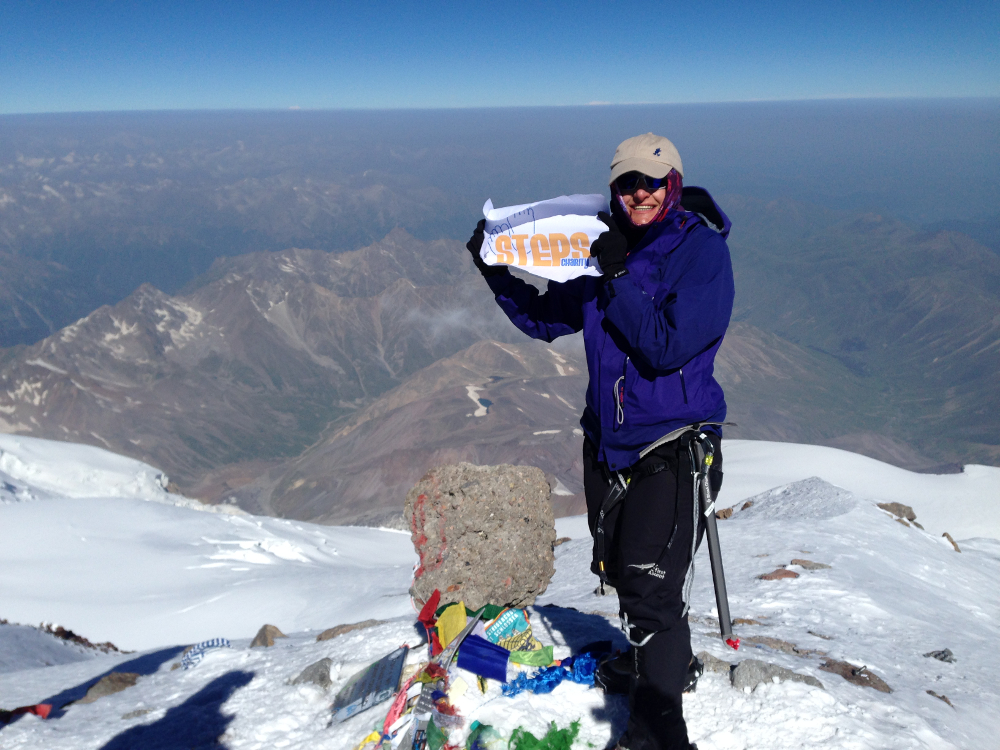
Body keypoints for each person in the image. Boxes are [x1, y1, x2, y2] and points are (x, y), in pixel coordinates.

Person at [466, 133, 734, 750]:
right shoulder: (602, 243)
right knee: (625, 572)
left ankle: (657, 733)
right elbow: (543, 318)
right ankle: (666, 666)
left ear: (673, 185)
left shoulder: (700, 254)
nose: (638, 193)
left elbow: (665, 345)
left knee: (647, 584)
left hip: (672, 442)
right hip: (610, 445)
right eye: (626, 183)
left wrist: (616, 272)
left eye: (651, 183)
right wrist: (494, 267)